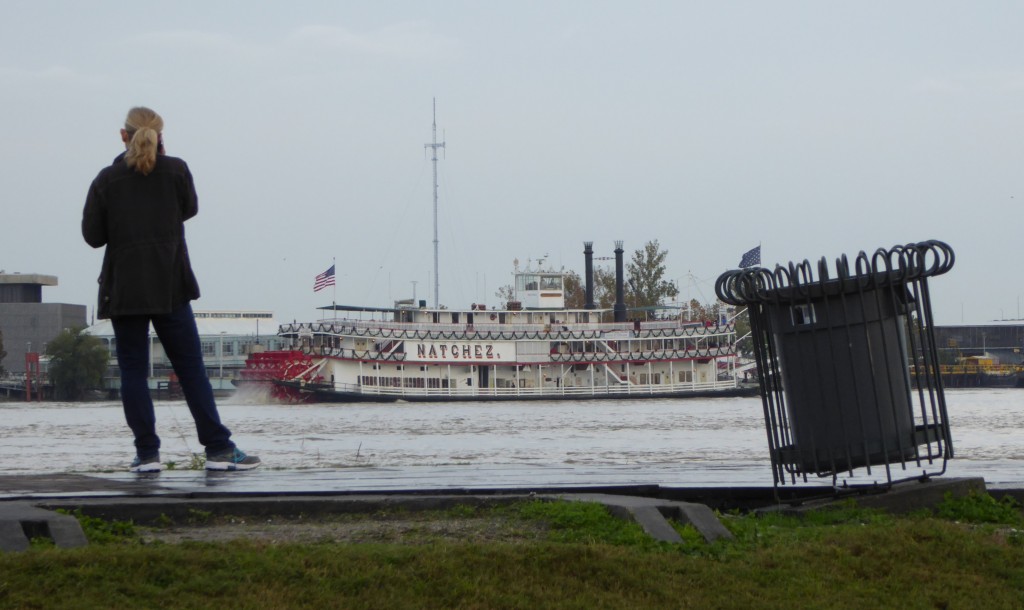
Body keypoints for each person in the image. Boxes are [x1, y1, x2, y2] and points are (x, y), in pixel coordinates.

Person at [82, 106, 260, 473]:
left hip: (125, 290)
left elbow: (92, 237)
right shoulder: (176, 171)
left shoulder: (106, 180)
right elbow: (188, 210)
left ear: (123, 135)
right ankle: (219, 451)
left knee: (132, 371)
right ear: (162, 137)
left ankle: (147, 455)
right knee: (192, 370)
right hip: (170, 287)